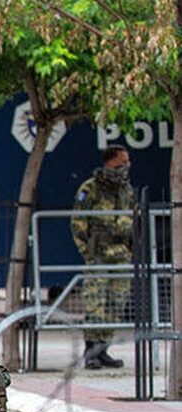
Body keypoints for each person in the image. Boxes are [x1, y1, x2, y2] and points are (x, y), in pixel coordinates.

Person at [71, 146, 133, 370]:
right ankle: (92, 350)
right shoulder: (91, 188)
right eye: (121, 163)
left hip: (121, 256)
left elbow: (132, 218)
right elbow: (78, 223)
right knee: (95, 304)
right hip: (98, 257)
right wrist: (88, 253)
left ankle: (104, 348)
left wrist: (131, 249)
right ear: (109, 163)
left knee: (116, 305)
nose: (125, 167)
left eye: (127, 163)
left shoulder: (126, 189)